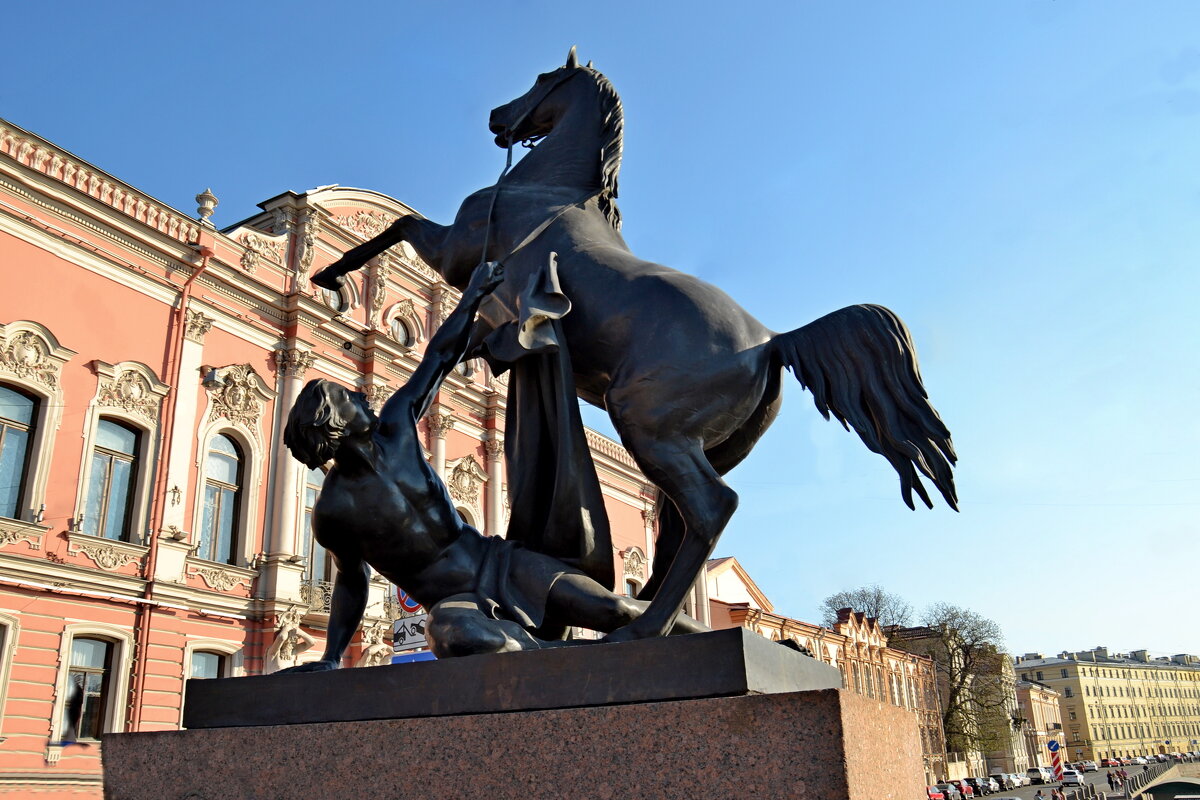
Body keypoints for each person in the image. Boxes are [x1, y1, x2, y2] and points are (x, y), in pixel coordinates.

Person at [279, 261, 707, 669]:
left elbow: (440, 357)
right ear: (333, 422)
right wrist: (331, 657)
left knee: (614, 607)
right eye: (348, 398)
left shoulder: (397, 428)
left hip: (498, 563)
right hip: (451, 601)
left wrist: (473, 297)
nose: (361, 396)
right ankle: (563, 653)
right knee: (455, 638)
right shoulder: (334, 512)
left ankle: (722, 643)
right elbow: (351, 583)